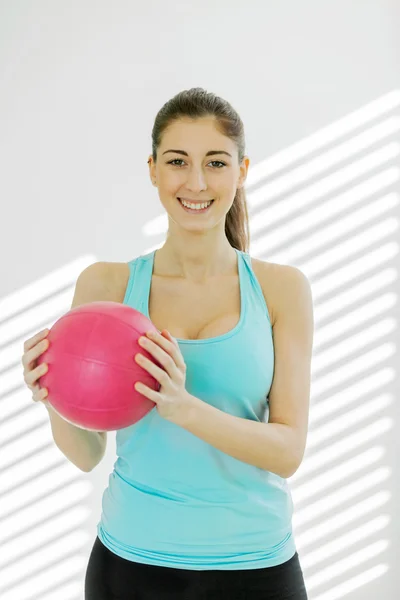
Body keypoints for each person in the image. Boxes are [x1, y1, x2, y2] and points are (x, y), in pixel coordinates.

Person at [22, 88, 312, 599]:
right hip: (131, 565)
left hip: (257, 567)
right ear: (153, 169)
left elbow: (288, 451)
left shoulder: (280, 289)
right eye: (178, 162)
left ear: (242, 171)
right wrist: (51, 397)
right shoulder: (105, 286)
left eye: (216, 163)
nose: (196, 182)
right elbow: (88, 454)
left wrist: (184, 408)